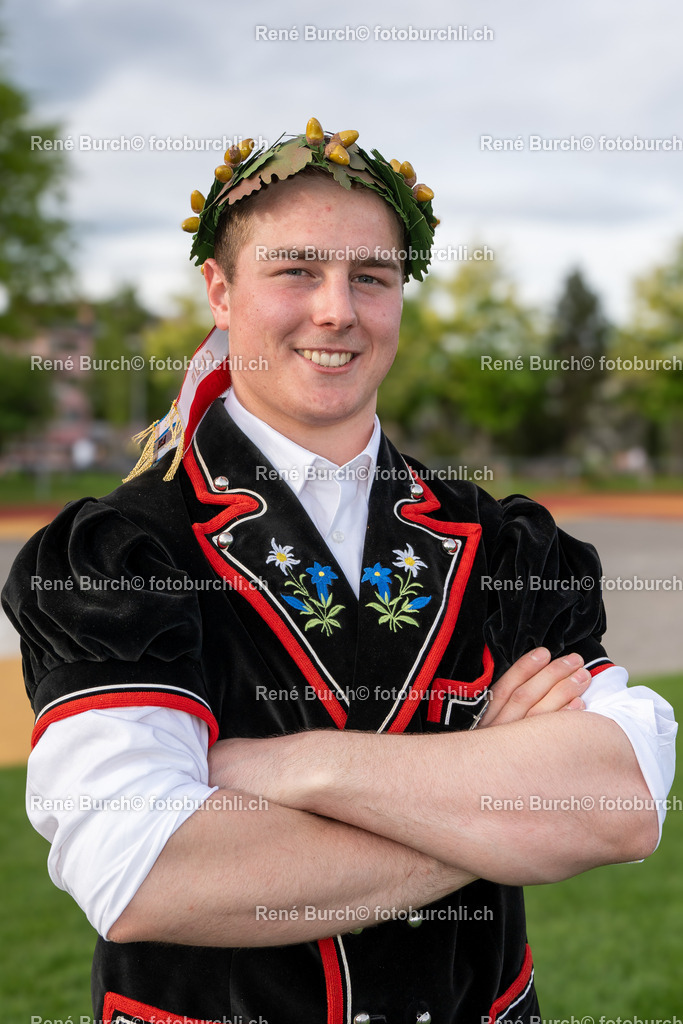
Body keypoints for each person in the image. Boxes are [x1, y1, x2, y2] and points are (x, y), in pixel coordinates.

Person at [2, 120, 676, 1024]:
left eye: (371, 277)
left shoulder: (504, 545)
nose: (336, 309)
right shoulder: (124, 553)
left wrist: (297, 768)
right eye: (296, 271)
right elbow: (143, 871)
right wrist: (498, 813)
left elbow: (617, 804)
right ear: (219, 290)